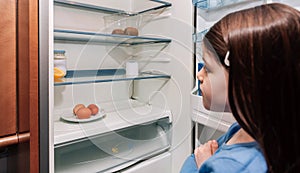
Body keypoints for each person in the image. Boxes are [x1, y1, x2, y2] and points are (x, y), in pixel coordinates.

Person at [181, 3, 300, 173]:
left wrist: (204, 166)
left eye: (207, 68)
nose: (199, 75)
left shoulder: (233, 167)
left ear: (246, 81)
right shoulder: (245, 127)